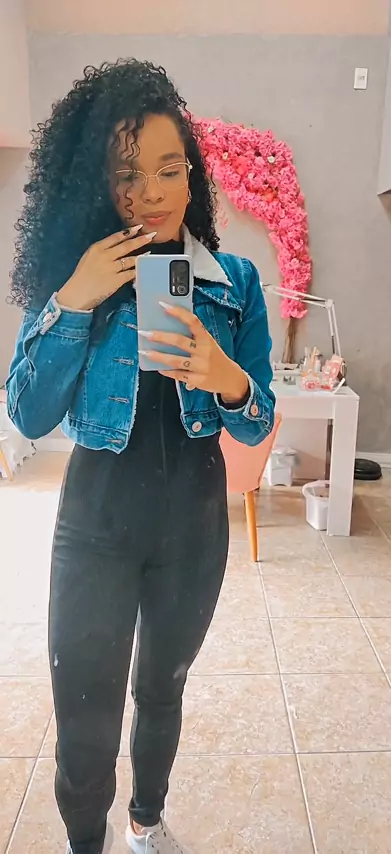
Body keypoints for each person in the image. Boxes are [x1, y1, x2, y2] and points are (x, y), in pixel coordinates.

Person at [6, 59, 275, 854]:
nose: (152, 192)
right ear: (100, 183)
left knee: (162, 690)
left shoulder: (234, 283)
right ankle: (83, 842)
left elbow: (258, 424)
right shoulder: (76, 276)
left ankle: (145, 823)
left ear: (192, 175)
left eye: (168, 168)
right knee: (84, 715)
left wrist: (227, 380)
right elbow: (26, 412)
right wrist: (73, 300)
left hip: (193, 525)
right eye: (128, 174)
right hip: (94, 524)